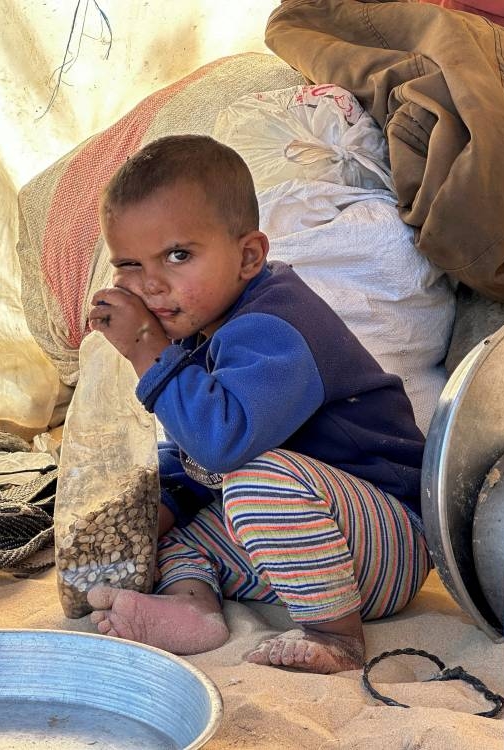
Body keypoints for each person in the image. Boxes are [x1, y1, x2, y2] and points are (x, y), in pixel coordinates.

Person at [85, 134, 431, 674]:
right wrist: (152, 512)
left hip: (386, 541)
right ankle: (192, 605)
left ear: (248, 256)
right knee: (171, 533)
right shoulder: (197, 327)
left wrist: (144, 347)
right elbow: (194, 458)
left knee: (254, 478)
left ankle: (335, 637)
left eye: (178, 256)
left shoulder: (276, 327)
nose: (150, 285)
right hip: (294, 548)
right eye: (129, 264)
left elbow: (223, 444)